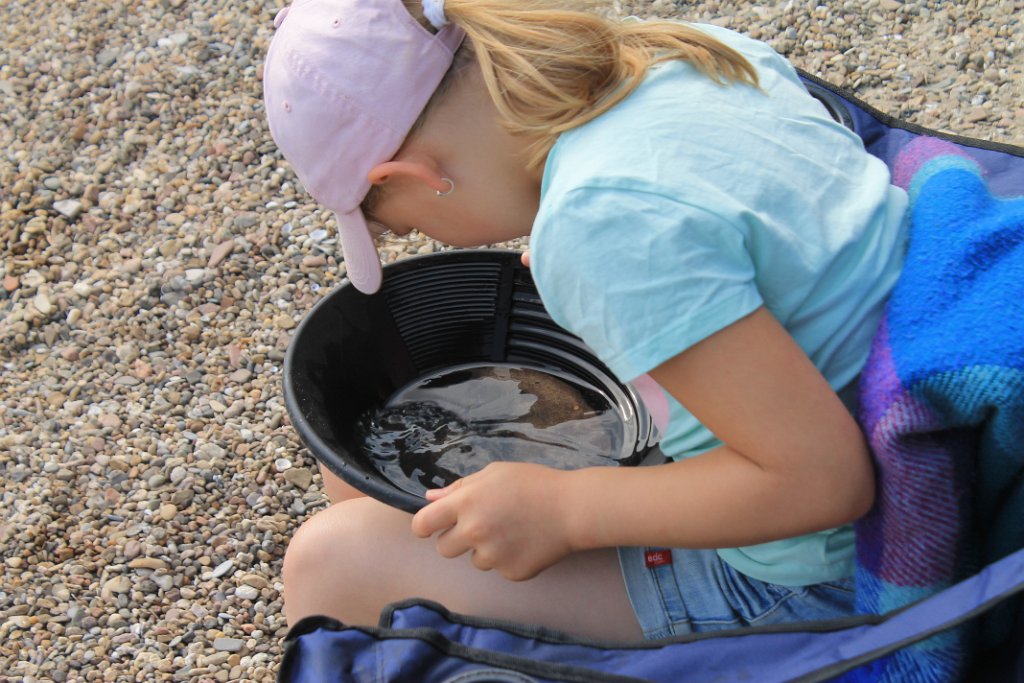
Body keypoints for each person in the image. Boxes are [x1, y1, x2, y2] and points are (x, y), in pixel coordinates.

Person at [262, 0, 908, 641]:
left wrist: (565, 510)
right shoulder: (677, 54)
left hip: (821, 573)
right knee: (358, 467)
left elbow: (824, 482)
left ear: (419, 177)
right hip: (884, 407)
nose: (416, 237)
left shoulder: (600, 224)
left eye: (402, 227)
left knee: (331, 561)